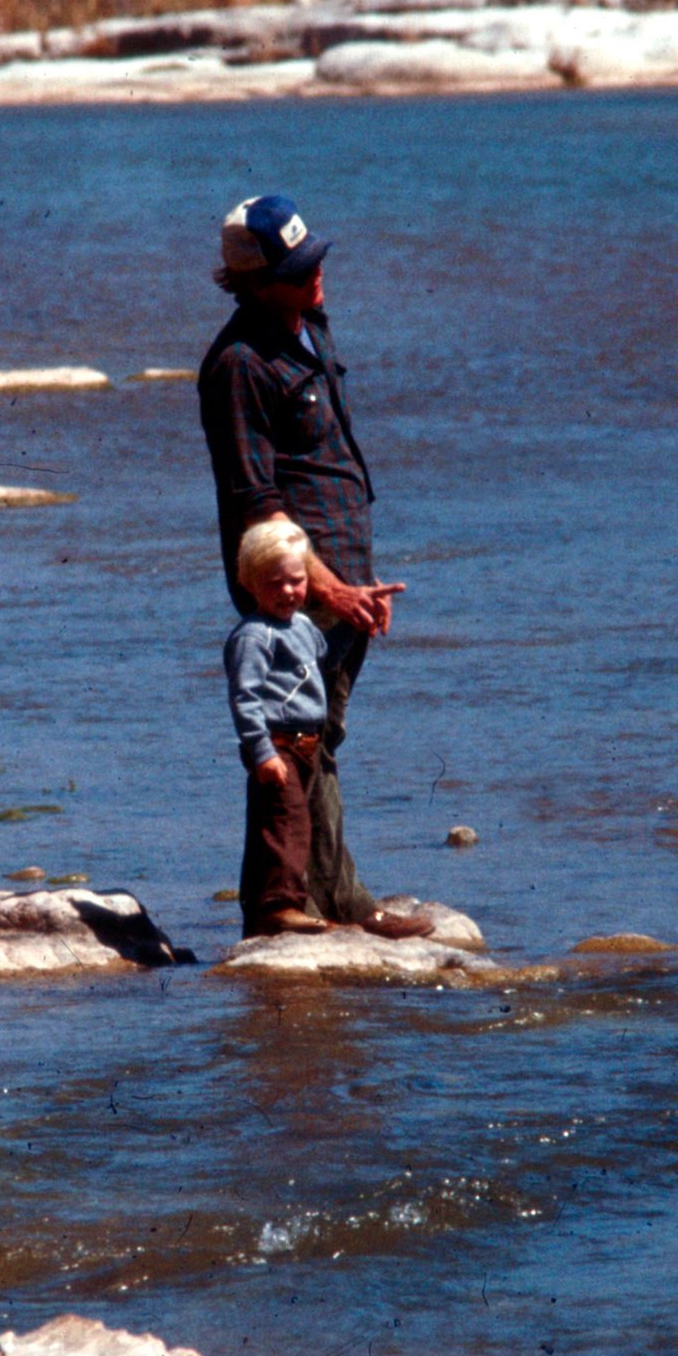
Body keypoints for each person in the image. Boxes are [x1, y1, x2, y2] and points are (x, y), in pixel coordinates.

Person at [198, 192, 433, 940]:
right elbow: (258, 504)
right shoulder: (238, 365)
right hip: (293, 590)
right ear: (255, 282)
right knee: (294, 745)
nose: (316, 276)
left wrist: (356, 586)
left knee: (316, 739)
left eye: (315, 261)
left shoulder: (312, 328)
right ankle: (309, 906)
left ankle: (309, 901)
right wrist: (331, 590)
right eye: (298, 271)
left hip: (341, 578)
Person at [225, 517, 333, 936]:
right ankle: (280, 905)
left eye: (297, 580)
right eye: (275, 583)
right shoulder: (254, 636)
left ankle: (261, 913)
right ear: (251, 584)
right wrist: (262, 752)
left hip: (307, 745)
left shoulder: (303, 627)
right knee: (287, 823)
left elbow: (319, 664)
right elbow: (245, 698)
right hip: (276, 744)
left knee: (282, 824)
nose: (288, 591)